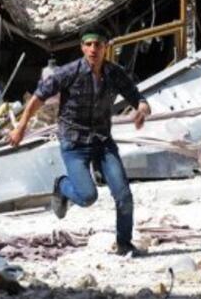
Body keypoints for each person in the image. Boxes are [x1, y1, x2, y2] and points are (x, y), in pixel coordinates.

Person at [8, 27, 151, 256]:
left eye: (98, 45)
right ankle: (62, 186)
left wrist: (142, 109)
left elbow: (138, 98)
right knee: (87, 197)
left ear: (105, 47)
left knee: (124, 195)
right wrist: (21, 127)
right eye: (89, 44)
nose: (93, 49)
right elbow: (39, 97)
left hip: (102, 142)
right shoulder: (69, 72)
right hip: (74, 143)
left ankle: (124, 244)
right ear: (83, 47)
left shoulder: (114, 73)